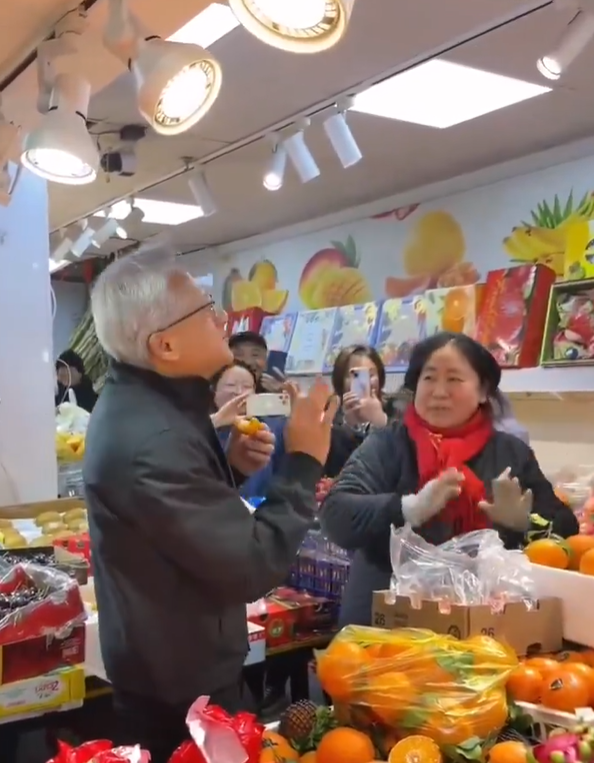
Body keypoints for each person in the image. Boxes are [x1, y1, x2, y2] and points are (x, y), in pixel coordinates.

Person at [82, 254, 338, 763]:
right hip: (178, 679)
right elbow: (250, 566)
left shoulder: (153, 401)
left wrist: (230, 469)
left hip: (170, 654)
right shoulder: (153, 436)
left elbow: (174, 519)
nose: (223, 319)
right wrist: (304, 463)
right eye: (205, 310)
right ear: (166, 345)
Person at [320, 331, 579, 628]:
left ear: (483, 391)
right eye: (429, 378)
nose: (439, 392)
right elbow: (335, 514)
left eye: (454, 379)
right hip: (385, 621)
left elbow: (566, 530)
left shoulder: (510, 453)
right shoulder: (388, 444)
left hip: (484, 625)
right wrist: (407, 508)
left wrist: (525, 523)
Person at [211, 360, 285, 499]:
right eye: (230, 385)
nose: (239, 392)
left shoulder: (272, 427)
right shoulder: (200, 429)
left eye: (246, 387)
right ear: (214, 392)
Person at [325, 345, 390, 478]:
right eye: (355, 376)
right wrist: (348, 429)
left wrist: (381, 422)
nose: (364, 383)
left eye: (371, 375)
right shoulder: (330, 416)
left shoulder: (395, 408)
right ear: (340, 380)